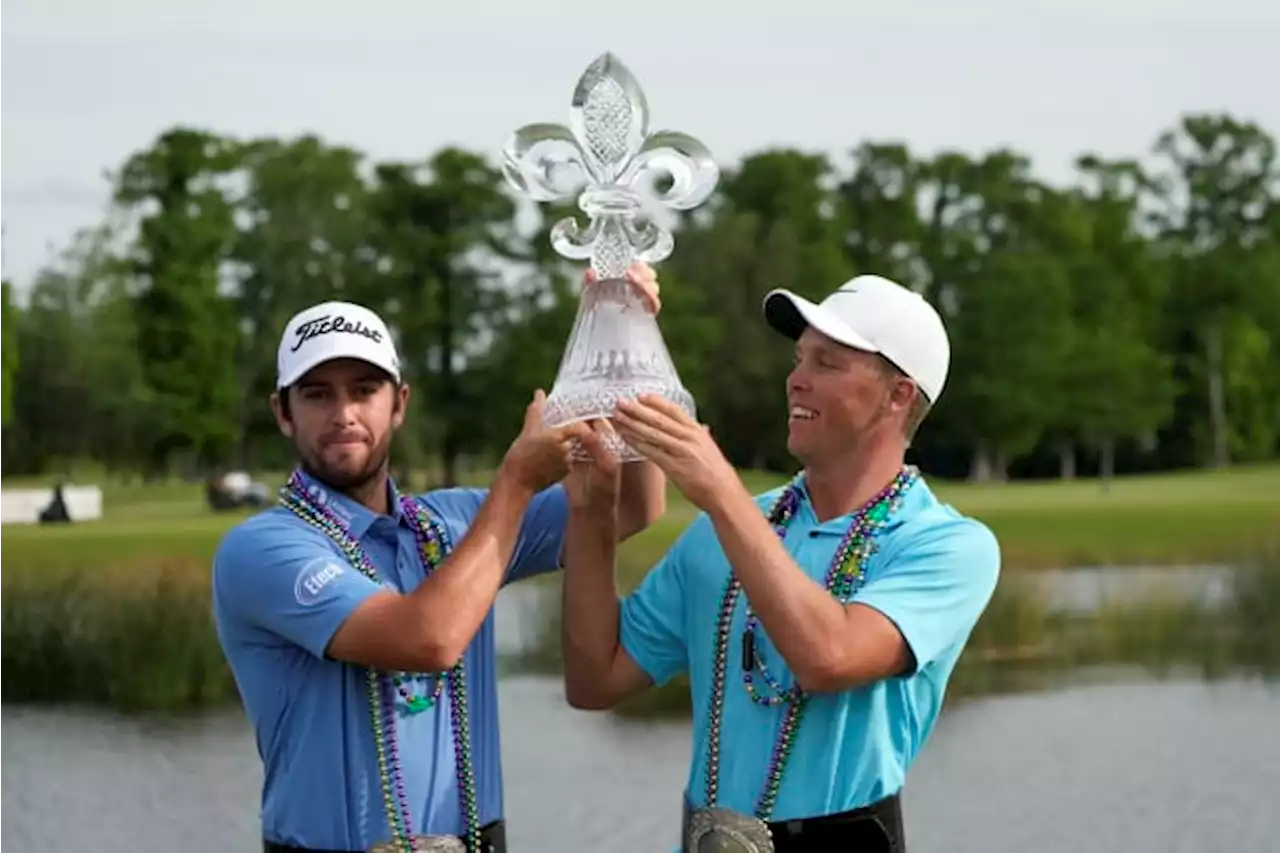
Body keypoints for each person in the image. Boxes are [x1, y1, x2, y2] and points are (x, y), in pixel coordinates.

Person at [211, 264, 665, 853]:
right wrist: (516, 483)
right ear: (283, 413)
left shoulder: (451, 524)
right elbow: (426, 640)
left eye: (363, 390)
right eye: (318, 394)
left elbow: (632, 506)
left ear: (398, 403)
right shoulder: (263, 547)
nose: (344, 414)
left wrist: (628, 337)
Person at [560, 274, 1001, 852]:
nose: (796, 379)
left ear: (898, 395)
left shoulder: (948, 546)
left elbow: (829, 656)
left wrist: (721, 492)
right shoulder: (722, 532)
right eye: (799, 359)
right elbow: (597, 680)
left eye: (828, 363)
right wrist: (594, 517)